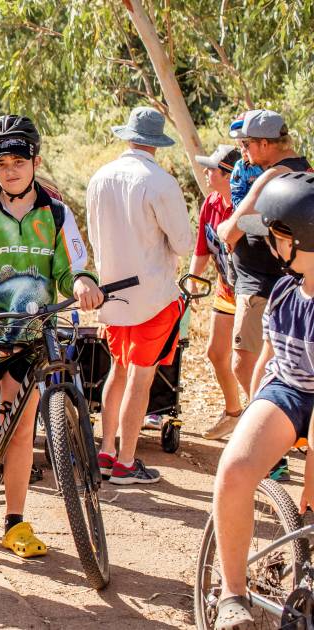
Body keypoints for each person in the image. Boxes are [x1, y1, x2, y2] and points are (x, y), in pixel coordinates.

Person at [0, 115, 102, 559]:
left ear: (35, 160)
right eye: (0, 162)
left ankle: (15, 522)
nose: (9, 170)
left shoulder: (55, 213)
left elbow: (72, 267)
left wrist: (84, 282)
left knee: (21, 431)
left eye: (18, 160)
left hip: (33, 337)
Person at [210, 173, 314, 630]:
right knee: (234, 469)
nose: (271, 246)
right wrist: (252, 410)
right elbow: (269, 362)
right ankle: (232, 592)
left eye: (276, 237)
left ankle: (308, 528)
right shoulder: (286, 292)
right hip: (289, 390)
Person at [86, 107, 193, 485]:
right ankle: (127, 462)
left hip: (111, 294)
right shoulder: (160, 182)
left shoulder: (100, 178)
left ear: (128, 136)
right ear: (157, 143)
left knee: (117, 371)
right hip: (152, 295)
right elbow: (183, 242)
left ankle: (106, 450)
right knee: (141, 378)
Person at [218, 109, 311, 481]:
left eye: (245, 145)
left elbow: (233, 228)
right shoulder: (305, 172)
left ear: (264, 144)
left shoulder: (274, 175)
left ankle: (271, 448)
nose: (243, 153)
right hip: (289, 281)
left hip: (260, 282)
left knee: (245, 360)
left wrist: (234, 224)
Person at [190, 144, 248, 440]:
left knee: (245, 362)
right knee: (216, 352)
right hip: (226, 292)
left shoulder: (247, 208)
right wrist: (192, 279)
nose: (205, 172)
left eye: (211, 168)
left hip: (252, 297)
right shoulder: (210, 202)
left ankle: (269, 423)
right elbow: (202, 249)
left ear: (228, 175)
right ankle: (234, 412)